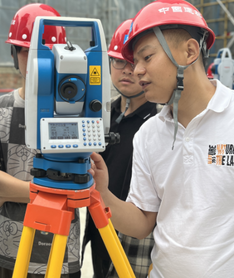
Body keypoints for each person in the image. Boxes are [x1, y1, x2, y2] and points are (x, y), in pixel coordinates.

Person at [89, 0, 234, 277]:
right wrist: (102, 193)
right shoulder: (149, 134)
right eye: (134, 60)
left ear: (189, 51)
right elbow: (142, 223)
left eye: (147, 57)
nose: (137, 70)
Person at [0, 3, 81, 278]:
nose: (35, 58)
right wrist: (50, 191)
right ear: (14, 53)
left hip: (60, 248)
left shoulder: (76, 112)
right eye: (26, 49)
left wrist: (9, 191)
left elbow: (79, 182)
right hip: (5, 248)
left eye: (45, 50)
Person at [82, 19, 157, 278]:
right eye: (118, 61)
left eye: (133, 62)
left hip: (138, 239)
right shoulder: (101, 113)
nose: (127, 70)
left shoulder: (162, 121)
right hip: (99, 228)